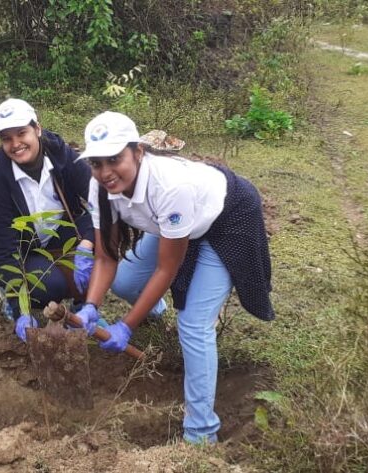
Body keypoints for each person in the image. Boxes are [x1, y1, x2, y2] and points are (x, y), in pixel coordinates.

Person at [74, 111, 274, 444]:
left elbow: (167, 269)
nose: (106, 172)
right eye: (97, 163)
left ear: (138, 152)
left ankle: (201, 432)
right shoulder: (99, 187)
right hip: (177, 223)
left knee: (194, 324)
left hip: (227, 216)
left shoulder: (170, 187)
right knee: (125, 282)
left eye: (114, 159)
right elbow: (105, 256)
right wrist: (90, 306)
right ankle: (152, 312)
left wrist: (126, 325)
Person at [0, 98, 94, 341]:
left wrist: (87, 244)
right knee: (50, 288)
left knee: (100, 248)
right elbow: (5, 247)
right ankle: (10, 295)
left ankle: (85, 308)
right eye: (7, 138)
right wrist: (21, 311)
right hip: (10, 250)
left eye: (21, 133)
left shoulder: (65, 158)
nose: (16, 144)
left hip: (52, 239)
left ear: (37, 129)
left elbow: (100, 204)